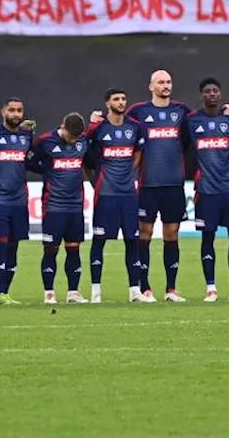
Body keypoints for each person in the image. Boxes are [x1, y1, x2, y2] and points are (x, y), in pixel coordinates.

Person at [122, 71, 193, 302]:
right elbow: (118, 121)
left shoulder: (181, 111)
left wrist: (227, 113)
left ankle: (171, 290)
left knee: (171, 234)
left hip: (174, 184)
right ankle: (145, 287)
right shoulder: (139, 111)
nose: (166, 85)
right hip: (148, 184)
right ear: (151, 86)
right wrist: (96, 119)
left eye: (169, 82)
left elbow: (202, 122)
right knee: (146, 233)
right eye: (161, 82)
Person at [183, 78, 229, 302]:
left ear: (220, 95)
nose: (212, 94)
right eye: (207, 91)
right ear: (201, 95)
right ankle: (211, 288)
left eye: (215, 91)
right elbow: (183, 148)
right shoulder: (191, 121)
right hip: (205, 191)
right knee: (208, 238)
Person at [85, 89, 151, 304]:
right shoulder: (98, 128)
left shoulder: (135, 127)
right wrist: (96, 182)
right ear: (107, 103)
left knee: (132, 241)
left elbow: (139, 153)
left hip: (128, 194)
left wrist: (127, 173)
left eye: (123, 98)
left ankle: (134, 291)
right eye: (116, 99)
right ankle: (96, 291)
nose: (121, 102)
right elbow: (84, 157)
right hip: (105, 194)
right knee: (99, 241)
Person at [0, 98, 36, 305]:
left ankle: (6, 293)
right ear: (3, 111)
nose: (16, 114)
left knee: (14, 246)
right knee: (0, 244)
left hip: (20, 200)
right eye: (12, 110)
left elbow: (30, 162)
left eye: (19, 110)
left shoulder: (26, 135)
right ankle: (0, 293)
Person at [28, 113, 90, 305]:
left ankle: (73, 292)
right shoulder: (45, 142)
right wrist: (48, 170)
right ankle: (49, 293)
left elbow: (90, 161)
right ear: (62, 127)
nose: (73, 141)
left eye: (76, 138)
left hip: (76, 205)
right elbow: (29, 162)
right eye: (70, 137)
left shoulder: (83, 141)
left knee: (74, 248)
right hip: (53, 205)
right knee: (51, 249)